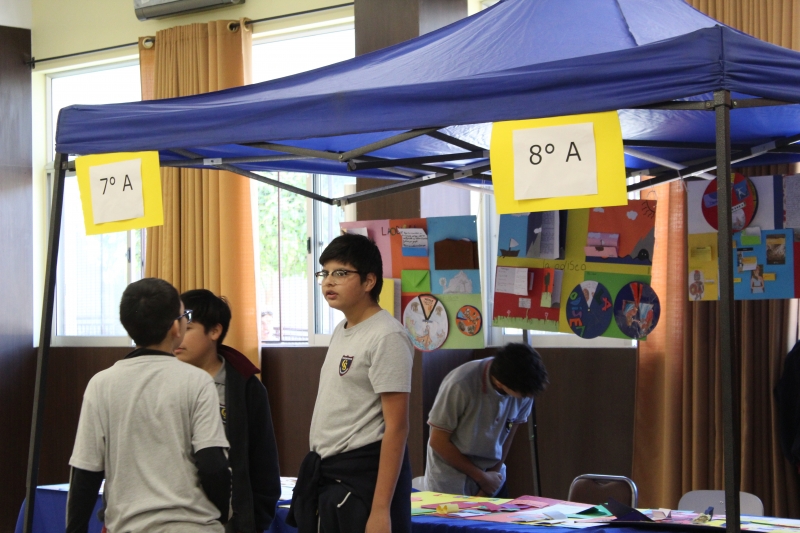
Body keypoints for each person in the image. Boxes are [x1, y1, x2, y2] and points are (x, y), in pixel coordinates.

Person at [66, 278, 231, 533]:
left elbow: (85, 474)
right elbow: (213, 464)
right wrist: (220, 514)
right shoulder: (197, 381)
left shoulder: (101, 384)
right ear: (176, 328)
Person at [287, 233, 414, 533]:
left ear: (369, 281)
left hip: (361, 479)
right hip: (329, 472)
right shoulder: (342, 329)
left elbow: (397, 427)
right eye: (325, 273)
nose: (328, 282)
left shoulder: (387, 336)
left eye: (341, 273)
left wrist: (381, 510)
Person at [177, 289, 282, 533]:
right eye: (175, 328)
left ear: (215, 331)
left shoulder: (246, 388)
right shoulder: (162, 380)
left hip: (229, 522)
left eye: (187, 329)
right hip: (174, 517)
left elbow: (263, 463)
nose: (177, 336)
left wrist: (253, 521)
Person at [423, 343, 549, 497]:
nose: (525, 398)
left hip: (491, 476)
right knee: (456, 521)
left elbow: (507, 438)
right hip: (450, 479)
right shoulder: (460, 383)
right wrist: (481, 477)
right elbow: (437, 441)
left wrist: (489, 483)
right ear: (499, 384)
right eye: (522, 395)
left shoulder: (525, 389)